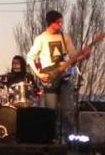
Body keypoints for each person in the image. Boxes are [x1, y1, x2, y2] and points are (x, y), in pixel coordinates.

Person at [27, 10, 90, 138]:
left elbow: (73, 57)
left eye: (61, 22)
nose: (61, 25)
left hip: (64, 78)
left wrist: (84, 56)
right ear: (51, 23)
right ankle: (51, 139)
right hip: (49, 78)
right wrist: (39, 74)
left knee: (68, 111)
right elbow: (29, 57)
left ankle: (70, 139)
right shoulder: (41, 39)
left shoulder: (65, 37)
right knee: (51, 112)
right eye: (58, 22)